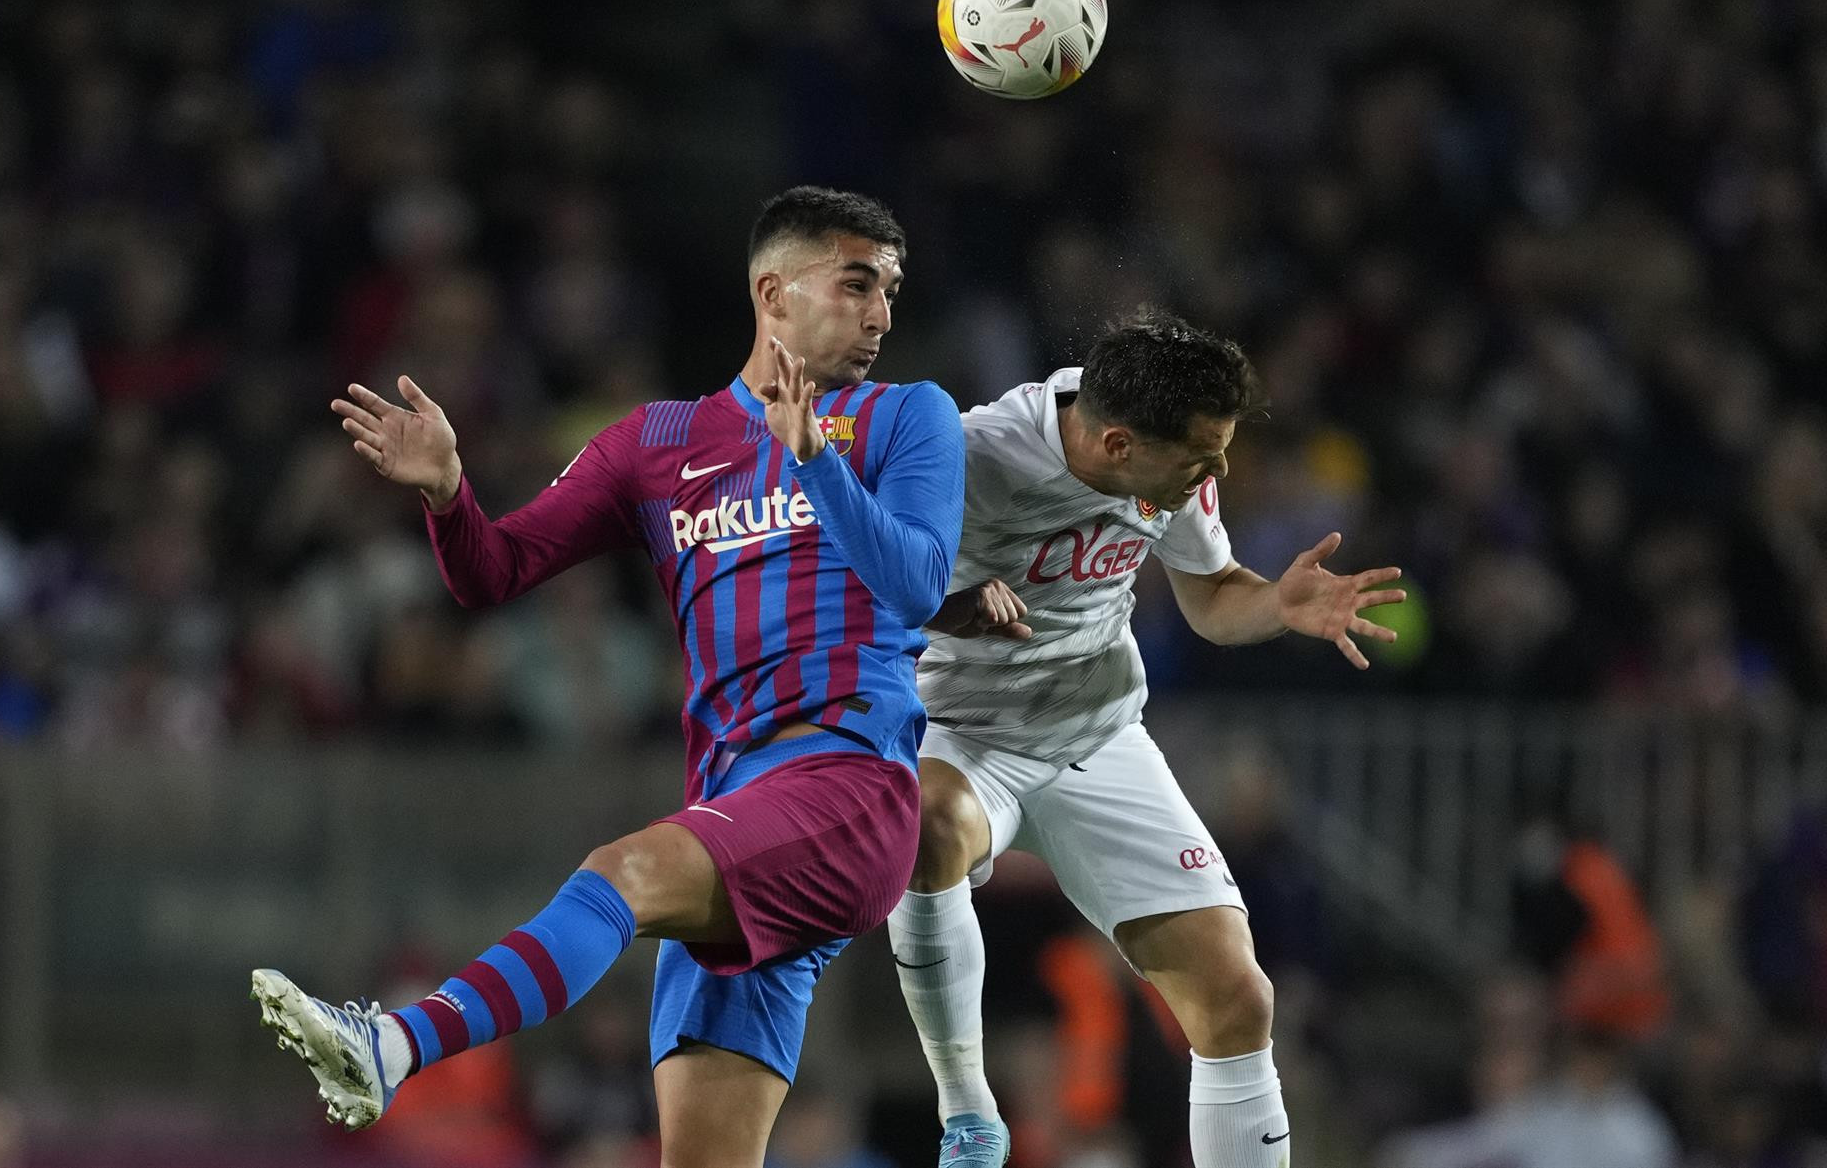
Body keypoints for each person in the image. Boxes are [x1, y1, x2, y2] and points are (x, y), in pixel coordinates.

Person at [250, 186, 964, 1168]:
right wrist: (451, 496)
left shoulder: (908, 418)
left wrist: (817, 464)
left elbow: (920, 583)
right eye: (857, 284)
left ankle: (397, 1041)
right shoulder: (658, 444)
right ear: (775, 291)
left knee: (618, 873)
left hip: (846, 790)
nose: (881, 312)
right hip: (737, 822)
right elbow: (490, 573)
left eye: (889, 289)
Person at [891, 312, 1406, 1167]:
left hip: (1097, 733)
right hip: (961, 731)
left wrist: (1276, 602)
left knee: (1236, 996)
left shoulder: (1171, 461)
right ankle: (969, 1111)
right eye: (1204, 458)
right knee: (929, 826)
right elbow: (851, 577)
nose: (1221, 472)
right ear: (1120, 444)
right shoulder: (969, 460)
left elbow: (1212, 595)